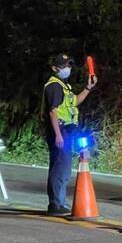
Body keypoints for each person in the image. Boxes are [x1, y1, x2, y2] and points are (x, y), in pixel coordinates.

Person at [42, 53, 97, 216]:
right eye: (64, 66)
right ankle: (55, 204)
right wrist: (58, 135)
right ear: (55, 68)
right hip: (60, 131)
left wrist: (88, 88)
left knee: (63, 167)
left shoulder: (64, 86)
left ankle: (59, 202)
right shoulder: (54, 86)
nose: (68, 69)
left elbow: (75, 102)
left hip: (66, 131)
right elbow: (53, 112)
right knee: (60, 167)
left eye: (69, 66)